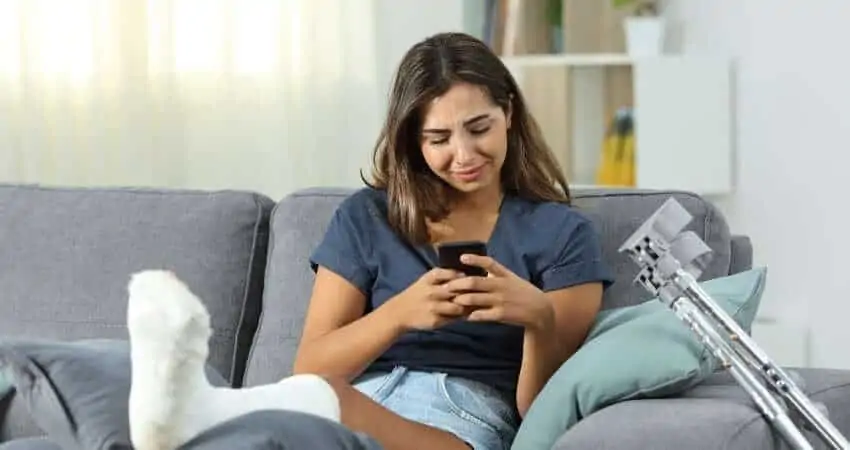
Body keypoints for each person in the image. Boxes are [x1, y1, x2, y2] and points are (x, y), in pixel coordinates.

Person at [291, 32, 615, 450]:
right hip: (360, 399)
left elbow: (542, 415)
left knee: (316, 408)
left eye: (479, 128)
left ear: (509, 114)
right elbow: (310, 368)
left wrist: (539, 319)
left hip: (462, 417)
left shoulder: (563, 235)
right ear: (413, 141)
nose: (463, 155)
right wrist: (398, 315)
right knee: (314, 402)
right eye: (439, 139)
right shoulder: (367, 216)